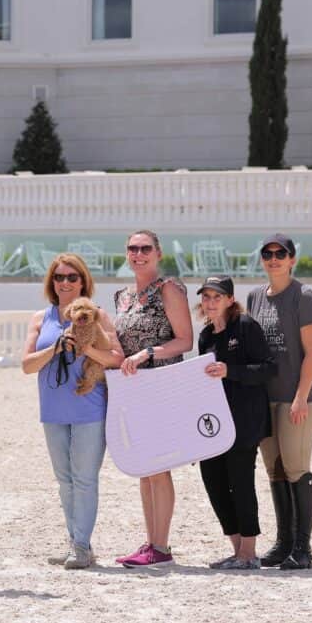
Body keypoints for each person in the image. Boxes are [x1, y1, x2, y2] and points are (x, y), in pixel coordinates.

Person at [22, 254, 124, 569]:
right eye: (59, 277)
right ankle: (78, 544)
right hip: (53, 408)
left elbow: (117, 358)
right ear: (51, 282)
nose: (65, 282)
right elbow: (27, 365)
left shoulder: (98, 314)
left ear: (83, 282)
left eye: (71, 277)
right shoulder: (40, 318)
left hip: (89, 407)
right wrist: (55, 347)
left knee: (84, 479)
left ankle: (80, 545)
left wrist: (85, 348)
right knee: (64, 481)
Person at [113, 229, 194, 568]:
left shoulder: (169, 289)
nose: (139, 254)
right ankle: (151, 543)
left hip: (162, 385)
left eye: (145, 248)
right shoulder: (121, 296)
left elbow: (185, 340)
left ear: (158, 253)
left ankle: (160, 546)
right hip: (133, 390)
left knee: (158, 468)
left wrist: (147, 353)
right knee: (145, 469)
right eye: (133, 248)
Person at [247, 233, 312, 570]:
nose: (274, 259)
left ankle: (303, 548)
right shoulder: (254, 297)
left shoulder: (303, 297)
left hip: (298, 399)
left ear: (292, 259)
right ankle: (283, 543)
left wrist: (300, 397)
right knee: (275, 470)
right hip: (266, 399)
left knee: (295, 467)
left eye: (281, 253)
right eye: (268, 253)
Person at [196, 276, 275, 570]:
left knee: (241, 484)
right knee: (214, 483)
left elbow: (268, 368)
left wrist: (231, 371)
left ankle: (249, 552)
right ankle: (237, 550)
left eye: (217, 297)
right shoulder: (205, 336)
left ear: (230, 300)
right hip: (214, 424)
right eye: (206, 297)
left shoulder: (245, 326)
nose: (211, 302)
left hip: (245, 420)